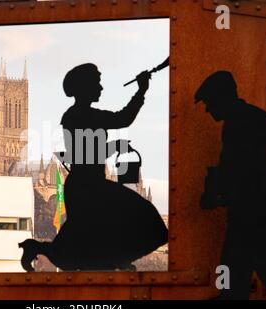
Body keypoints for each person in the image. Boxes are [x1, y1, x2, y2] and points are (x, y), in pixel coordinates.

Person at [19, 63, 168, 271]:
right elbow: (123, 119)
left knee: (90, 241)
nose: (101, 88)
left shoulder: (75, 115)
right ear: (85, 88)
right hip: (88, 187)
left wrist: (112, 147)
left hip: (86, 185)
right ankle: (113, 260)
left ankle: (41, 248)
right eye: (97, 83)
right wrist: (141, 91)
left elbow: (87, 152)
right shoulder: (84, 115)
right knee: (150, 225)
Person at [196, 70, 266, 299]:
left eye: (209, 102)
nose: (207, 109)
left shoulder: (250, 120)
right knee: (250, 272)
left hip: (255, 214)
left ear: (222, 98)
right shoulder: (241, 121)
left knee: (261, 273)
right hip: (251, 211)